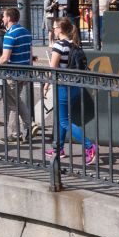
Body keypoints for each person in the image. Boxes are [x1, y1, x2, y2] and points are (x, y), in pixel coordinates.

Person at [44, 17, 97, 165]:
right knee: (63, 119)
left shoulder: (58, 46)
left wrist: (46, 86)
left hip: (62, 87)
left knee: (64, 121)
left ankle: (89, 146)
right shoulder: (74, 44)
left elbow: (53, 68)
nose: (53, 30)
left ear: (60, 29)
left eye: (55, 27)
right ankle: (58, 149)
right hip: (75, 87)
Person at [0, 7, 37, 143]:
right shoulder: (26, 32)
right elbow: (30, 55)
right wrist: (29, 71)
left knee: (12, 104)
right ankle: (29, 125)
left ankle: (15, 133)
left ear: (9, 18)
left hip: (12, 73)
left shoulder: (10, 35)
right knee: (16, 100)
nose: (2, 18)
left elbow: (5, 57)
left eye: (4, 16)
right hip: (23, 72)